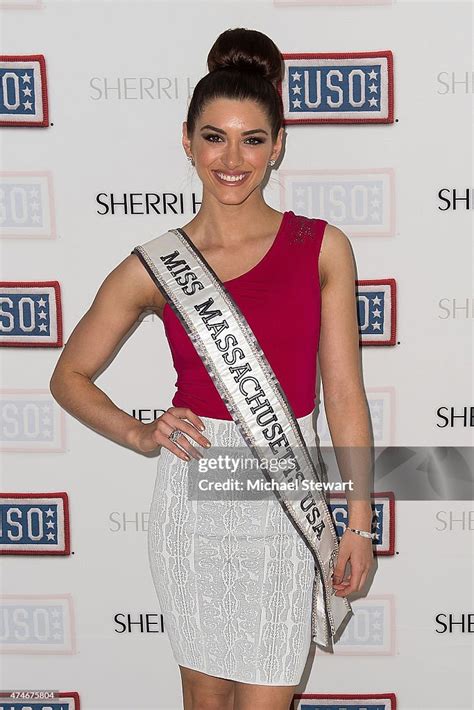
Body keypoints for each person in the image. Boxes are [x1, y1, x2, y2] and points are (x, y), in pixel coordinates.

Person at [50, 26, 374, 710]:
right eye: (214, 136)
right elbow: (69, 377)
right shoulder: (156, 262)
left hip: (286, 500)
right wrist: (142, 434)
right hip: (196, 495)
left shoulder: (321, 248)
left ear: (278, 144)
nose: (233, 158)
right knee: (203, 699)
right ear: (188, 140)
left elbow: (343, 395)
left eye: (253, 138)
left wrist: (358, 521)